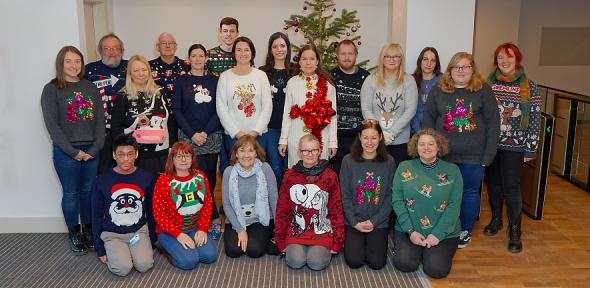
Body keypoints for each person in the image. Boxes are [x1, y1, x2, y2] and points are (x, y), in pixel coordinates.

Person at [423, 52, 500, 248]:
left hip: (473, 157)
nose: (461, 71)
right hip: (443, 156)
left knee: (469, 193)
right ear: (450, 70)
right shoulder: (438, 90)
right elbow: (428, 120)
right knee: (441, 193)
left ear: (473, 69)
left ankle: (464, 230)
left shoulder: (484, 91)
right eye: (457, 66)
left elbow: (493, 124)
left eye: (465, 66)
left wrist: (488, 155)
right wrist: (430, 149)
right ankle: (440, 228)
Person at [41, 46, 105, 255]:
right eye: (68, 61)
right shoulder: (52, 89)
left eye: (77, 61)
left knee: (88, 192)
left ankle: (88, 230)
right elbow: (52, 126)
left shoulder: (90, 87)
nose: (73, 65)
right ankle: (74, 232)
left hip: (91, 151)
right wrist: (73, 152)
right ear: (61, 64)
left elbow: (99, 122)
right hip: (66, 152)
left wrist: (95, 148)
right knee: (71, 193)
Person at [484, 43, 542, 253]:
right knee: (493, 185)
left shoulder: (530, 86)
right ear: (496, 61)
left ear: (517, 59)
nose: (504, 61)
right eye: (500, 58)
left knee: (511, 187)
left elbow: (535, 118)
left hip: (515, 147)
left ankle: (515, 230)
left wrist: (531, 148)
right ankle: (497, 219)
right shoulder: (486, 85)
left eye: (508, 57)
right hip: (491, 144)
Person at [392, 129, 463, 279]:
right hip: (410, 229)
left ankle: (428, 252)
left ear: (439, 146)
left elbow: (454, 206)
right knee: (405, 264)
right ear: (415, 147)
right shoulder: (404, 167)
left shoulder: (453, 171)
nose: (426, 148)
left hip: (442, 233)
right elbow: (397, 201)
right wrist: (410, 231)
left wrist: (437, 235)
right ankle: (417, 251)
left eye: (431, 144)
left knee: (436, 270)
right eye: (421, 144)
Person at [173, 44, 223, 239]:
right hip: (188, 137)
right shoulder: (181, 81)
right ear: (189, 59)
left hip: (211, 136)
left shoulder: (215, 81)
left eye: (201, 56)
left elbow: (220, 108)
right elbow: (176, 110)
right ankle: (193, 220)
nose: (197, 59)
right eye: (193, 56)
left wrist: (205, 132)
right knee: (191, 181)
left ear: (206, 59)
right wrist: (192, 133)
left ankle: (213, 218)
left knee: (209, 180)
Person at [275, 135, 344, 271]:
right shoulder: (290, 175)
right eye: (306, 151)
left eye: (314, 150)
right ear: (299, 152)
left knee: (316, 263)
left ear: (319, 151)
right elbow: (282, 209)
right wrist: (280, 239)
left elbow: (336, 209)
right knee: (295, 261)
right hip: (296, 231)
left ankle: (317, 251)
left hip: (321, 231)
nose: (310, 154)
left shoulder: (330, 175)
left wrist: (337, 242)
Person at [92, 134, 154, 276]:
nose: (125, 159)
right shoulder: (102, 180)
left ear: (136, 154)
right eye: (121, 154)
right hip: (113, 233)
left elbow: (151, 211)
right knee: (122, 269)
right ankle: (120, 251)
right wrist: (100, 248)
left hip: (138, 232)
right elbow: (95, 215)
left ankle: (131, 251)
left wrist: (152, 238)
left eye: (129, 154)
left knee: (145, 265)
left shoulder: (147, 178)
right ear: (114, 155)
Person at [339, 119, 395, 269]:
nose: (369, 142)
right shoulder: (348, 161)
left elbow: (390, 196)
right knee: (354, 261)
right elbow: (345, 195)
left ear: (380, 138)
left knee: (376, 263)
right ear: (359, 137)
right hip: (354, 220)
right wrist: (354, 222)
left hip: (378, 221)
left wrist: (374, 221)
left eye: (374, 137)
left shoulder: (389, 162)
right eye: (365, 137)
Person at [152, 142, 218, 270]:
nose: (183, 160)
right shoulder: (164, 180)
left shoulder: (200, 176)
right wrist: (178, 234)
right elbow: (159, 214)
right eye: (179, 156)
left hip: (195, 228)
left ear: (192, 159)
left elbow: (208, 204)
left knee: (210, 256)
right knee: (189, 262)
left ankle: (188, 249)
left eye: (187, 156)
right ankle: (167, 249)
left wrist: (202, 229)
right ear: (172, 160)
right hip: (170, 232)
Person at [216, 36, 272, 170]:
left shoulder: (260, 75)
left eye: (246, 50)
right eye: (239, 50)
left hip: (259, 135)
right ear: (234, 53)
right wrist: (237, 133)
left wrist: (255, 132)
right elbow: (221, 107)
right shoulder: (225, 76)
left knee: (258, 170)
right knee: (235, 170)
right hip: (233, 135)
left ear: (252, 53)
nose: (243, 53)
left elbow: (267, 106)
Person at [278, 44, 337, 168]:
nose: (308, 62)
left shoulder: (328, 85)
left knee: (318, 175)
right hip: (296, 136)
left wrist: (332, 142)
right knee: (297, 174)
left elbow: (332, 117)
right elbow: (286, 114)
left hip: (320, 138)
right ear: (299, 61)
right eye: (304, 59)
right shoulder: (292, 83)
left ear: (317, 61)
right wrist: (283, 140)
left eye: (311, 59)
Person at [111, 55, 170, 176]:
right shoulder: (123, 96)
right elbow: (115, 127)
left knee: (160, 190)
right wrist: (124, 152)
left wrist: (172, 146)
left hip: (160, 152)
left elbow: (170, 121)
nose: (141, 73)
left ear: (149, 71)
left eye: (144, 70)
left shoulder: (159, 92)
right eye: (136, 70)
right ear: (130, 74)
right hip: (135, 155)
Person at [361, 43, 418, 166]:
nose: (392, 60)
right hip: (375, 142)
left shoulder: (408, 81)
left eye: (396, 56)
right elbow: (366, 109)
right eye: (387, 56)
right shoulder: (371, 80)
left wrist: (391, 133)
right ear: (382, 59)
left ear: (401, 59)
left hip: (400, 142)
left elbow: (410, 110)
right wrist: (379, 132)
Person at [221, 135, 278, 258]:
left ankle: (266, 236)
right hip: (236, 218)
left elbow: (274, 200)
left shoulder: (265, 169)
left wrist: (279, 228)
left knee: (254, 250)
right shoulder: (228, 172)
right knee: (233, 251)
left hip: (260, 219)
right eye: (242, 150)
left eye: (250, 150)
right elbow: (226, 204)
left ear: (256, 153)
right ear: (236, 154)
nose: (246, 155)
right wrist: (240, 229)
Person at [85, 33, 128, 174]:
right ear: (100, 51)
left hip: (127, 131)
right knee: (103, 174)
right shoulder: (88, 71)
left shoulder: (131, 68)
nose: (112, 52)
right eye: (107, 48)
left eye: (115, 48)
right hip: (100, 133)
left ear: (122, 50)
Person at [259, 32, 297, 186]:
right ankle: (277, 203)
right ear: (270, 49)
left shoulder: (296, 70)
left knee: (291, 167)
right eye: (275, 46)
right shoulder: (262, 72)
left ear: (287, 48)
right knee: (275, 168)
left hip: (293, 127)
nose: (279, 49)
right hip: (271, 128)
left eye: (282, 45)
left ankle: (289, 203)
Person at [209, 17, 240, 187]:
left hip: (236, 118)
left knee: (236, 158)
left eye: (232, 31)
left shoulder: (242, 55)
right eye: (225, 31)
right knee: (221, 163)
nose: (228, 34)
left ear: (237, 33)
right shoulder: (210, 56)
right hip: (214, 117)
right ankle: (225, 200)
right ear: (220, 33)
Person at [331, 40, 370, 175]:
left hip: (359, 136)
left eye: (350, 53)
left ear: (356, 55)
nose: (347, 57)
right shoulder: (330, 77)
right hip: (337, 136)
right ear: (337, 55)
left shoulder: (366, 77)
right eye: (343, 54)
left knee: (358, 174)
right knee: (338, 173)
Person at [150, 32, 188, 144]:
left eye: (171, 43)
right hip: (158, 119)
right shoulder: (148, 67)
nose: (167, 46)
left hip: (183, 119)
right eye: (164, 43)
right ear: (157, 47)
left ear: (176, 46)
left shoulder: (187, 66)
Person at [411, 47, 442, 134]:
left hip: (436, 132)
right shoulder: (411, 80)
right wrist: (418, 131)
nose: (428, 63)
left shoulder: (443, 81)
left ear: (436, 63)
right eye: (425, 59)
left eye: (433, 60)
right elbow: (409, 110)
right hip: (414, 131)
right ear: (420, 61)